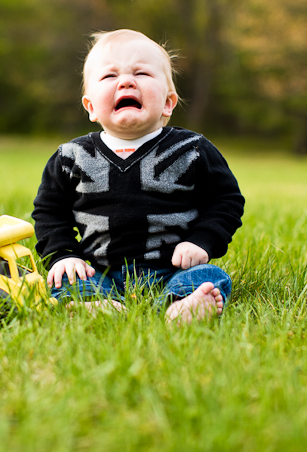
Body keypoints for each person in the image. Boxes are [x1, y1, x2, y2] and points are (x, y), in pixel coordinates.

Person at [32, 29, 244, 323]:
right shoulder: (72, 157)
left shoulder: (192, 149)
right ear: (91, 106)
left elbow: (226, 200)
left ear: (168, 102)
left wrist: (202, 242)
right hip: (98, 269)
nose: (127, 81)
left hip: (173, 267)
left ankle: (183, 305)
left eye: (142, 73)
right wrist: (64, 255)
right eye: (109, 76)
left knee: (210, 276)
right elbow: (49, 212)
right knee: (67, 280)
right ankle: (97, 305)